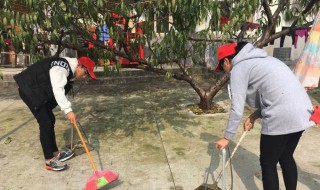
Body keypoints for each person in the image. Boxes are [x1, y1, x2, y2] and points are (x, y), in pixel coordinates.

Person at [214, 42, 315, 190]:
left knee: (268, 164)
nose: (225, 71)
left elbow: (237, 107)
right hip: (303, 112)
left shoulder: (238, 68)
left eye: (222, 67)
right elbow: (277, 94)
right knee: (286, 156)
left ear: (227, 61)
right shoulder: (266, 60)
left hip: (282, 116)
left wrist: (227, 137)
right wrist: (254, 116)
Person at [14, 56, 96, 171]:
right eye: (85, 72)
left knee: (50, 119)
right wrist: (68, 110)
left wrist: (67, 109)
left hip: (36, 90)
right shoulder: (62, 67)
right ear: (79, 66)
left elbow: (60, 88)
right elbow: (58, 89)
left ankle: (55, 153)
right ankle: (49, 160)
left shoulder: (66, 67)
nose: (84, 76)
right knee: (46, 122)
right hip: (30, 90)